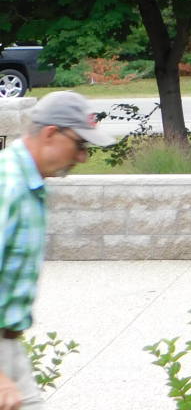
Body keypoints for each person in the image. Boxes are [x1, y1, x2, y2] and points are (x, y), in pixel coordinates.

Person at [0, 92, 113, 408]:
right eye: (80, 145)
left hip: (10, 346)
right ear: (51, 133)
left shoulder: (28, 183)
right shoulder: (8, 186)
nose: (83, 158)